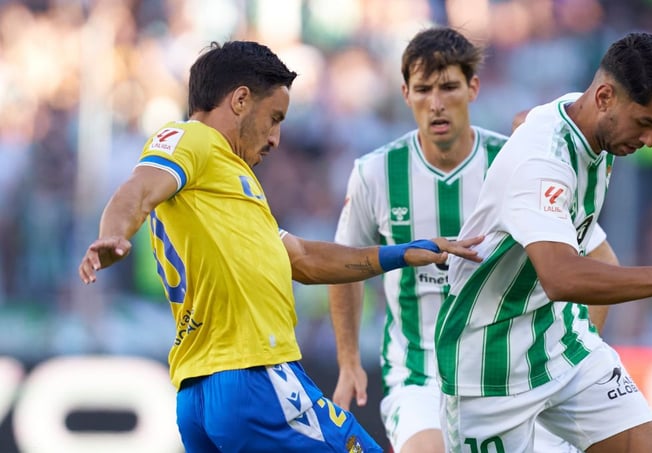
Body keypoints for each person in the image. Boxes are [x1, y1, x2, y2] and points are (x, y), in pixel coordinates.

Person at [76, 40, 485, 453]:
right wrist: (114, 233)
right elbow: (137, 191)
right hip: (253, 374)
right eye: (274, 118)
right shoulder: (192, 139)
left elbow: (303, 259)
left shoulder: (224, 186)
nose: (275, 138)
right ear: (240, 100)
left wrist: (401, 253)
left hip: (200, 392)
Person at [435, 31, 652, 452]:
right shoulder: (541, 161)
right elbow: (562, 278)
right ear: (604, 97)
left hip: (561, 343)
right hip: (488, 366)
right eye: (645, 123)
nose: (651, 141)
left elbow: (527, 119)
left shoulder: (587, 120)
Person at [328, 27, 617, 453]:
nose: (436, 103)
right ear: (405, 94)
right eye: (423, 89)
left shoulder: (517, 161)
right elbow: (344, 265)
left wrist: (575, 354)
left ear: (473, 88)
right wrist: (348, 359)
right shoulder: (375, 173)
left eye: (448, 87)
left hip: (514, 374)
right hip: (420, 375)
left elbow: (600, 259)